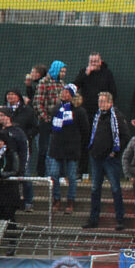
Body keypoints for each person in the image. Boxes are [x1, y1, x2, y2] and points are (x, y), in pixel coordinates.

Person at [84, 92, 128, 230]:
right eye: (99, 101)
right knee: (95, 189)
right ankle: (93, 219)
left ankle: (120, 219)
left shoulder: (117, 117)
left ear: (110, 102)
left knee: (115, 188)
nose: (101, 104)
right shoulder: (97, 116)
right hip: (96, 157)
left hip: (110, 159)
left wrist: (115, 152)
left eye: (103, 101)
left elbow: (125, 136)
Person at [47, 84, 89, 213]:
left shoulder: (79, 111)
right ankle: (56, 199)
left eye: (67, 92)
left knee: (71, 176)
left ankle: (70, 201)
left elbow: (85, 130)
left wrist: (78, 144)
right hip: (56, 148)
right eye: (63, 92)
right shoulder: (56, 109)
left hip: (72, 149)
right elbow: (51, 128)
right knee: (54, 174)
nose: (64, 94)